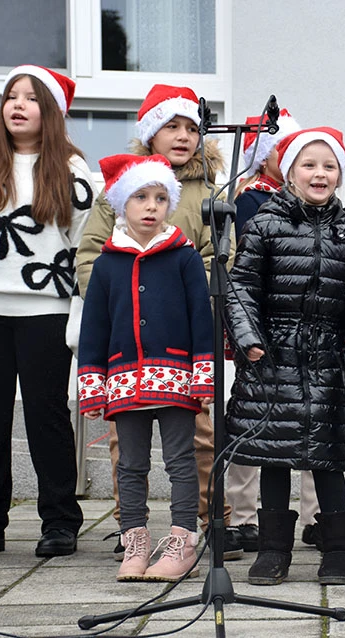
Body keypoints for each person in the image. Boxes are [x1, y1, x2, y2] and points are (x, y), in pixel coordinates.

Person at [74, 83, 241, 560]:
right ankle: (134, 528)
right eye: (172, 126)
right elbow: (91, 256)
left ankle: (207, 522)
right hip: (128, 339)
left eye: (192, 127)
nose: (184, 136)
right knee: (125, 448)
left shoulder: (209, 190)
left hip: (180, 339)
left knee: (198, 439)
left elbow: (221, 255)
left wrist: (186, 291)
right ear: (151, 133)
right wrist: (119, 300)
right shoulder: (117, 191)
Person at [226, 126, 345, 586]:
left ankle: (339, 551)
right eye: (309, 165)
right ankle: (274, 552)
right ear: (290, 172)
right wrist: (248, 337)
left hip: (323, 355)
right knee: (273, 453)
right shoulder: (265, 222)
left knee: (327, 454)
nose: (319, 174)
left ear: (339, 174)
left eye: (329, 166)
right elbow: (240, 287)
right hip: (272, 354)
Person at [0, 65, 92, 559]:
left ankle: (60, 521)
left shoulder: (74, 174)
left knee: (46, 417)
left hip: (46, 311)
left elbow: (87, 248)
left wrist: (81, 315)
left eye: (31, 98)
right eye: (10, 97)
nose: (18, 105)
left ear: (52, 112)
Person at [78, 153, 212, 582]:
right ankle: (134, 541)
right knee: (130, 465)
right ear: (120, 204)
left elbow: (201, 318)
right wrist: (92, 385)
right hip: (122, 382)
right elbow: (94, 328)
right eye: (140, 197)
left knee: (180, 460)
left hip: (175, 377)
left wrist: (203, 373)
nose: (151, 206)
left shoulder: (185, 257)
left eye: (160, 197)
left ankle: (181, 542)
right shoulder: (106, 263)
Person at [228, 107, 314, 554]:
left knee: (308, 417)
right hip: (262, 324)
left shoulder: (314, 202)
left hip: (307, 326)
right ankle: (242, 515)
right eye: (283, 149)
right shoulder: (248, 200)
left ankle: (315, 516)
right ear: (265, 156)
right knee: (252, 418)